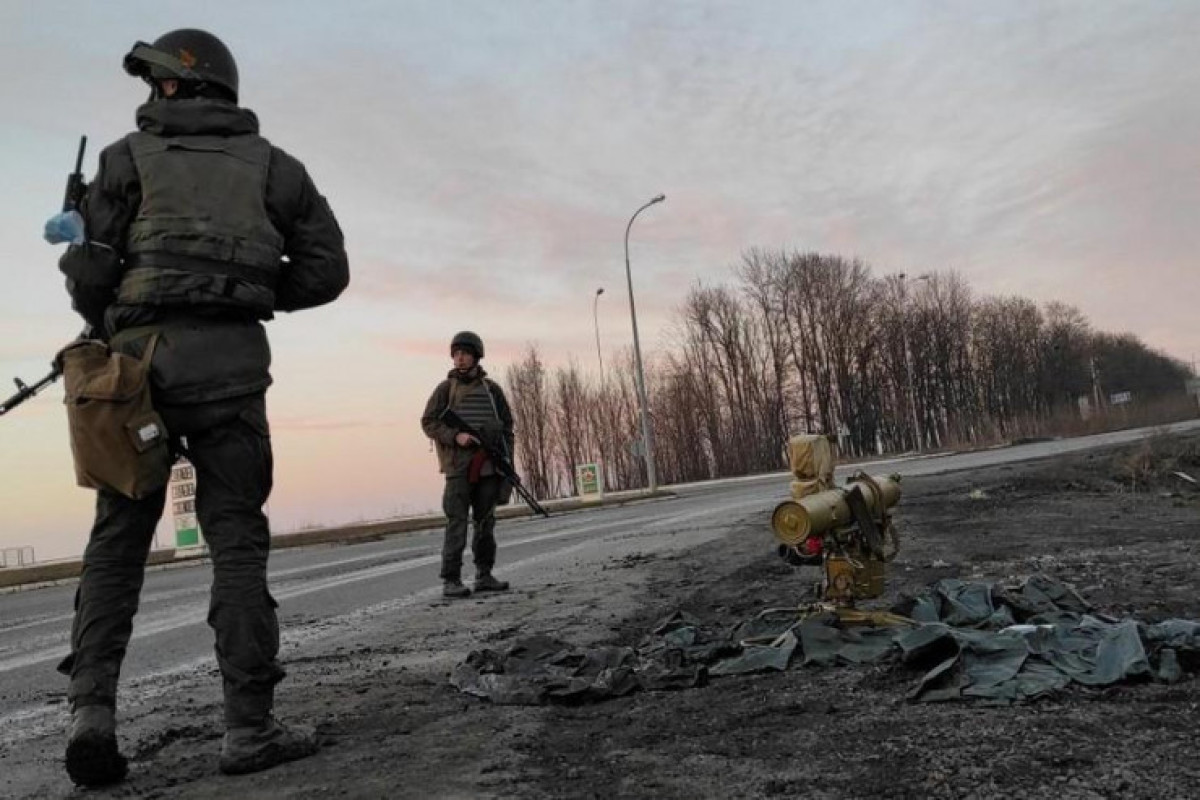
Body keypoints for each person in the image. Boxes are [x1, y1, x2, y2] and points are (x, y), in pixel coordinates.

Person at [53, 29, 349, 787]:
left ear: (183, 87)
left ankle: (93, 714)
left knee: (117, 542)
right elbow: (327, 270)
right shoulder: (279, 169)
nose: (150, 96)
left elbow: (90, 272)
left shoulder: (122, 159)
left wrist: (119, 304)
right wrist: (245, 294)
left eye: (158, 83)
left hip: (137, 376)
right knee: (237, 546)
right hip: (233, 377)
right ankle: (249, 732)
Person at [420, 331, 516, 599]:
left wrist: (507, 462)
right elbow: (428, 422)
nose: (460, 358)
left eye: (465, 353)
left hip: (487, 467)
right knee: (456, 523)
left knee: (486, 522)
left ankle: (484, 575)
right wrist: (455, 436)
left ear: (476, 356)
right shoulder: (445, 390)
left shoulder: (491, 390)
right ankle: (451, 579)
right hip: (458, 468)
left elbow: (508, 427)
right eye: (456, 354)